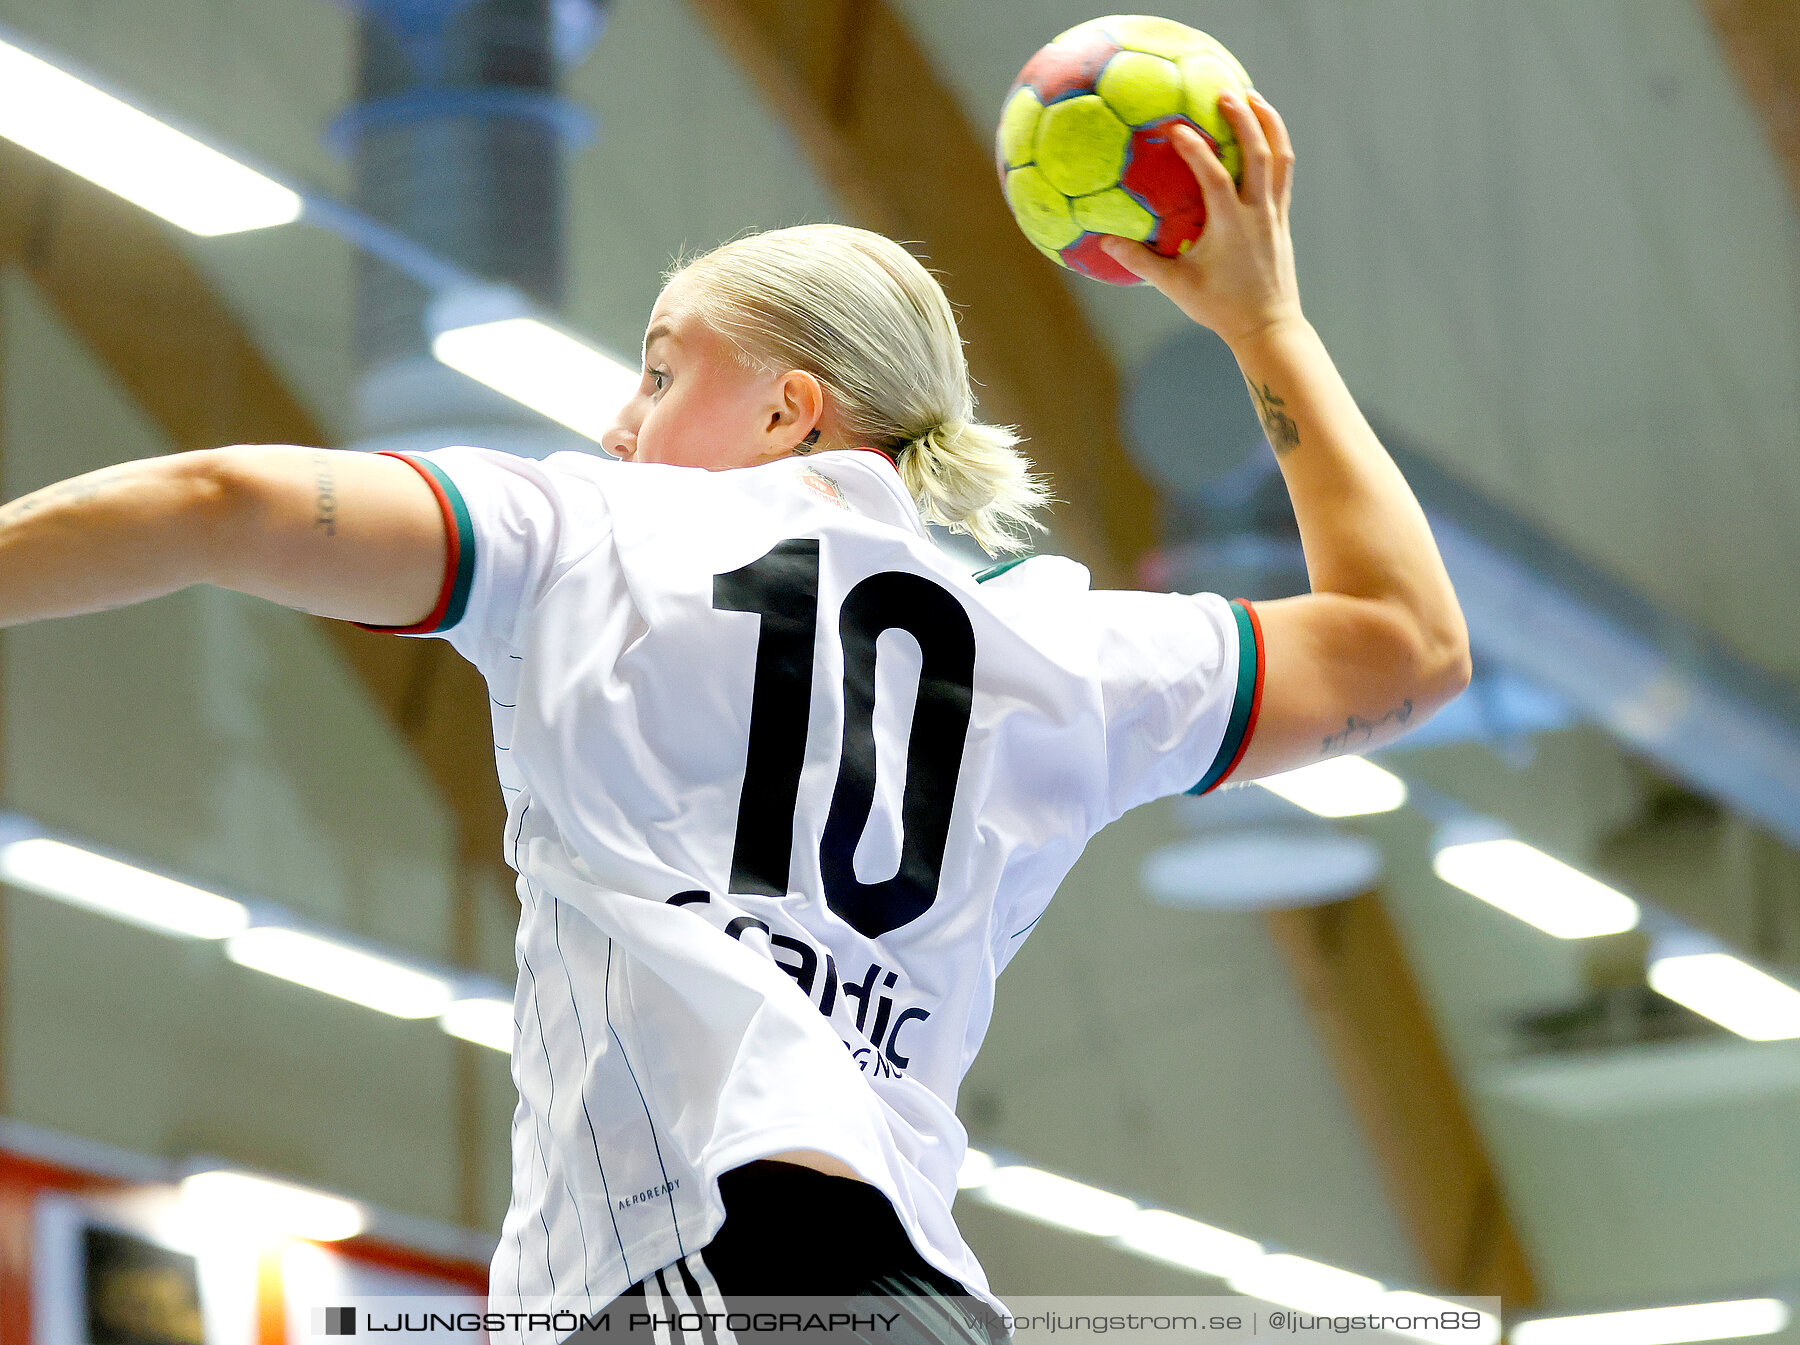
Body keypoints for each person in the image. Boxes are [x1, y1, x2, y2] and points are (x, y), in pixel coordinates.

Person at [0, 92, 1468, 1342]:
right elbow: (1407, 643)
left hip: (706, 1263)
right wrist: (1263, 318)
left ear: (791, 410)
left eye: (656, 370)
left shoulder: (588, 529)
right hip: (923, 1296)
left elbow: (217, 500)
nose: (617, 426)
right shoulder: (1062, 646)